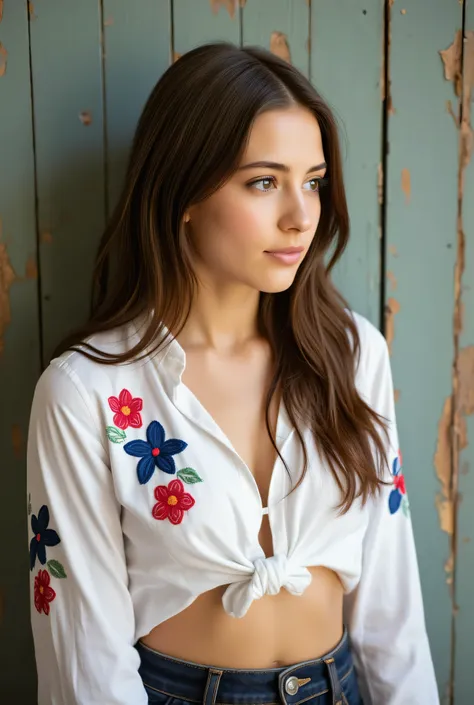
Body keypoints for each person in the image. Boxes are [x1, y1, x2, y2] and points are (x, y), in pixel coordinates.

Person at [27, 42, 438, 705]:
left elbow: (394, 613)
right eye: (263, 181)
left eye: (312, 180)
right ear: (183, 191)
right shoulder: (87, 394)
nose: (301, 216)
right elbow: (84, 660)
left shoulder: (353, 354)